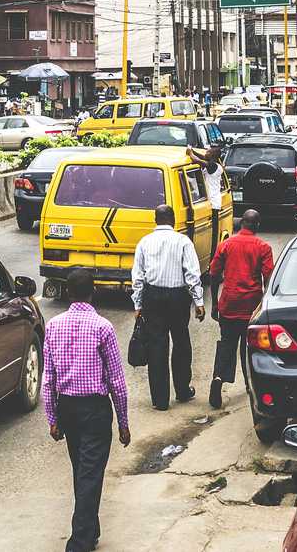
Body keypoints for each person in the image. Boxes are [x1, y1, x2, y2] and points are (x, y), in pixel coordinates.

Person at [43, 269, 130, 552]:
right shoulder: (103, 327)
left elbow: (48, 379)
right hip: (95, 410)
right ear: (93, 292)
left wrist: (53, 418)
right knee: (89, 474)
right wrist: (123, 422)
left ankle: (89, 532)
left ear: (68, 293)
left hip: (67, 407)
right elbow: (116, 379)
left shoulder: (54, 326)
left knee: (82, 471)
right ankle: (78, 542)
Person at [132, 204, 204, 410]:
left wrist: (137, 304)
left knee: (157, 346)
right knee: (181, 342)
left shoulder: (144, 242)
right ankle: (182, 390)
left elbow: (138, 277)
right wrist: (198, 301)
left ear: (156, 220)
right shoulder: (183, 241)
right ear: (173, 220)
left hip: (152, 296)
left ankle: (160, 400)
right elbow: (192, 274)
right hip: (178, 297)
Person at [207, 210, 274, 408]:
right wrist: (266, 304)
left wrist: (215, 303)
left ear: (241, 223)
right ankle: (249, 385)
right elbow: (268, 277)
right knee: (249, 348)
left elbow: (213, 274)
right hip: (251, 307)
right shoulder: (263, 247)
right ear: (257, 225)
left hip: (229, 304)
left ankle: (218, 378)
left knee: (226, 344)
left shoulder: (226, 245)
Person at [188, 145, 225, 258]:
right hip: (212, 202)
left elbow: (197, 160)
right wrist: (193, 150)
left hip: (213, 203)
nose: (206, 152)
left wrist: (190, 153)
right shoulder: (214, 165)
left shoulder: (213, 166)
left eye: (208, 152)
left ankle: (212, 257)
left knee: (213, 234)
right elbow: (202, 157)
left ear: (212, 156)